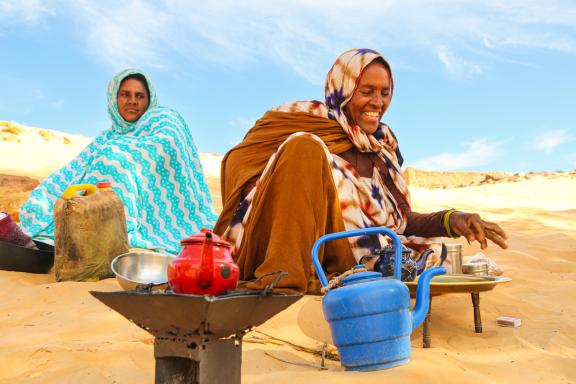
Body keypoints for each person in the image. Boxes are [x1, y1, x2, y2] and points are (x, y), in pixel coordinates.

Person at [214, 48, 508, 294]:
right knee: (305, 147)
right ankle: (286, 277)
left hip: (361, 251)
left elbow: (401, 222)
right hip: (293, 250)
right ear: (342, 89)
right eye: (366, 91)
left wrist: (452, 219)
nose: (377, 103)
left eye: (385, 93)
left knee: (428, 250)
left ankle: (373, 271)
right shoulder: (302, 123)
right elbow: (246, 173)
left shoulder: (383, 148)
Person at [19, 69, 218, 255]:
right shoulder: (107, 138)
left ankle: (109, 232)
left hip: (158, 215)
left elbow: (166, 144)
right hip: (93, 207)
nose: (132, 101)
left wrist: (118, 158)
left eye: (139, 96)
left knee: (111, 160)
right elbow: (76, 170)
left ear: (149, 101)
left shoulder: (161, 119)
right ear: (114, 98)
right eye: (125, 94)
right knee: (42, 198)